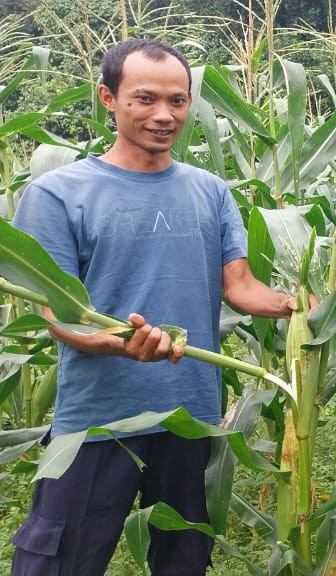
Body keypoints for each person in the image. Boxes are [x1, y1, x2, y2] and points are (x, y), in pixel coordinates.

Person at [9, 39, 306, 576]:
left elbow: (240, 287)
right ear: (108, 97)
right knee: (57, 561)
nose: (164, 115)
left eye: (178, 100)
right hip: (98, 422)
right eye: (145, 99)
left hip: (190, 419)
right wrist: (116, 344)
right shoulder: (58, 194)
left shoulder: (210, 191)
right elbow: (56, 316)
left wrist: (296, 305)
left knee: (185, 559)